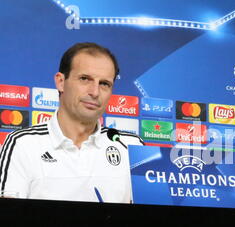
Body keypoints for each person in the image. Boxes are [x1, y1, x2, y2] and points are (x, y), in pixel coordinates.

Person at [0, 42, 144, 203]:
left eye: (104, 84)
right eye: (84, 79)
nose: (95, 92)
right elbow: (8, 221)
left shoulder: (131, 146)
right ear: (61, 82)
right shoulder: (23, 144)